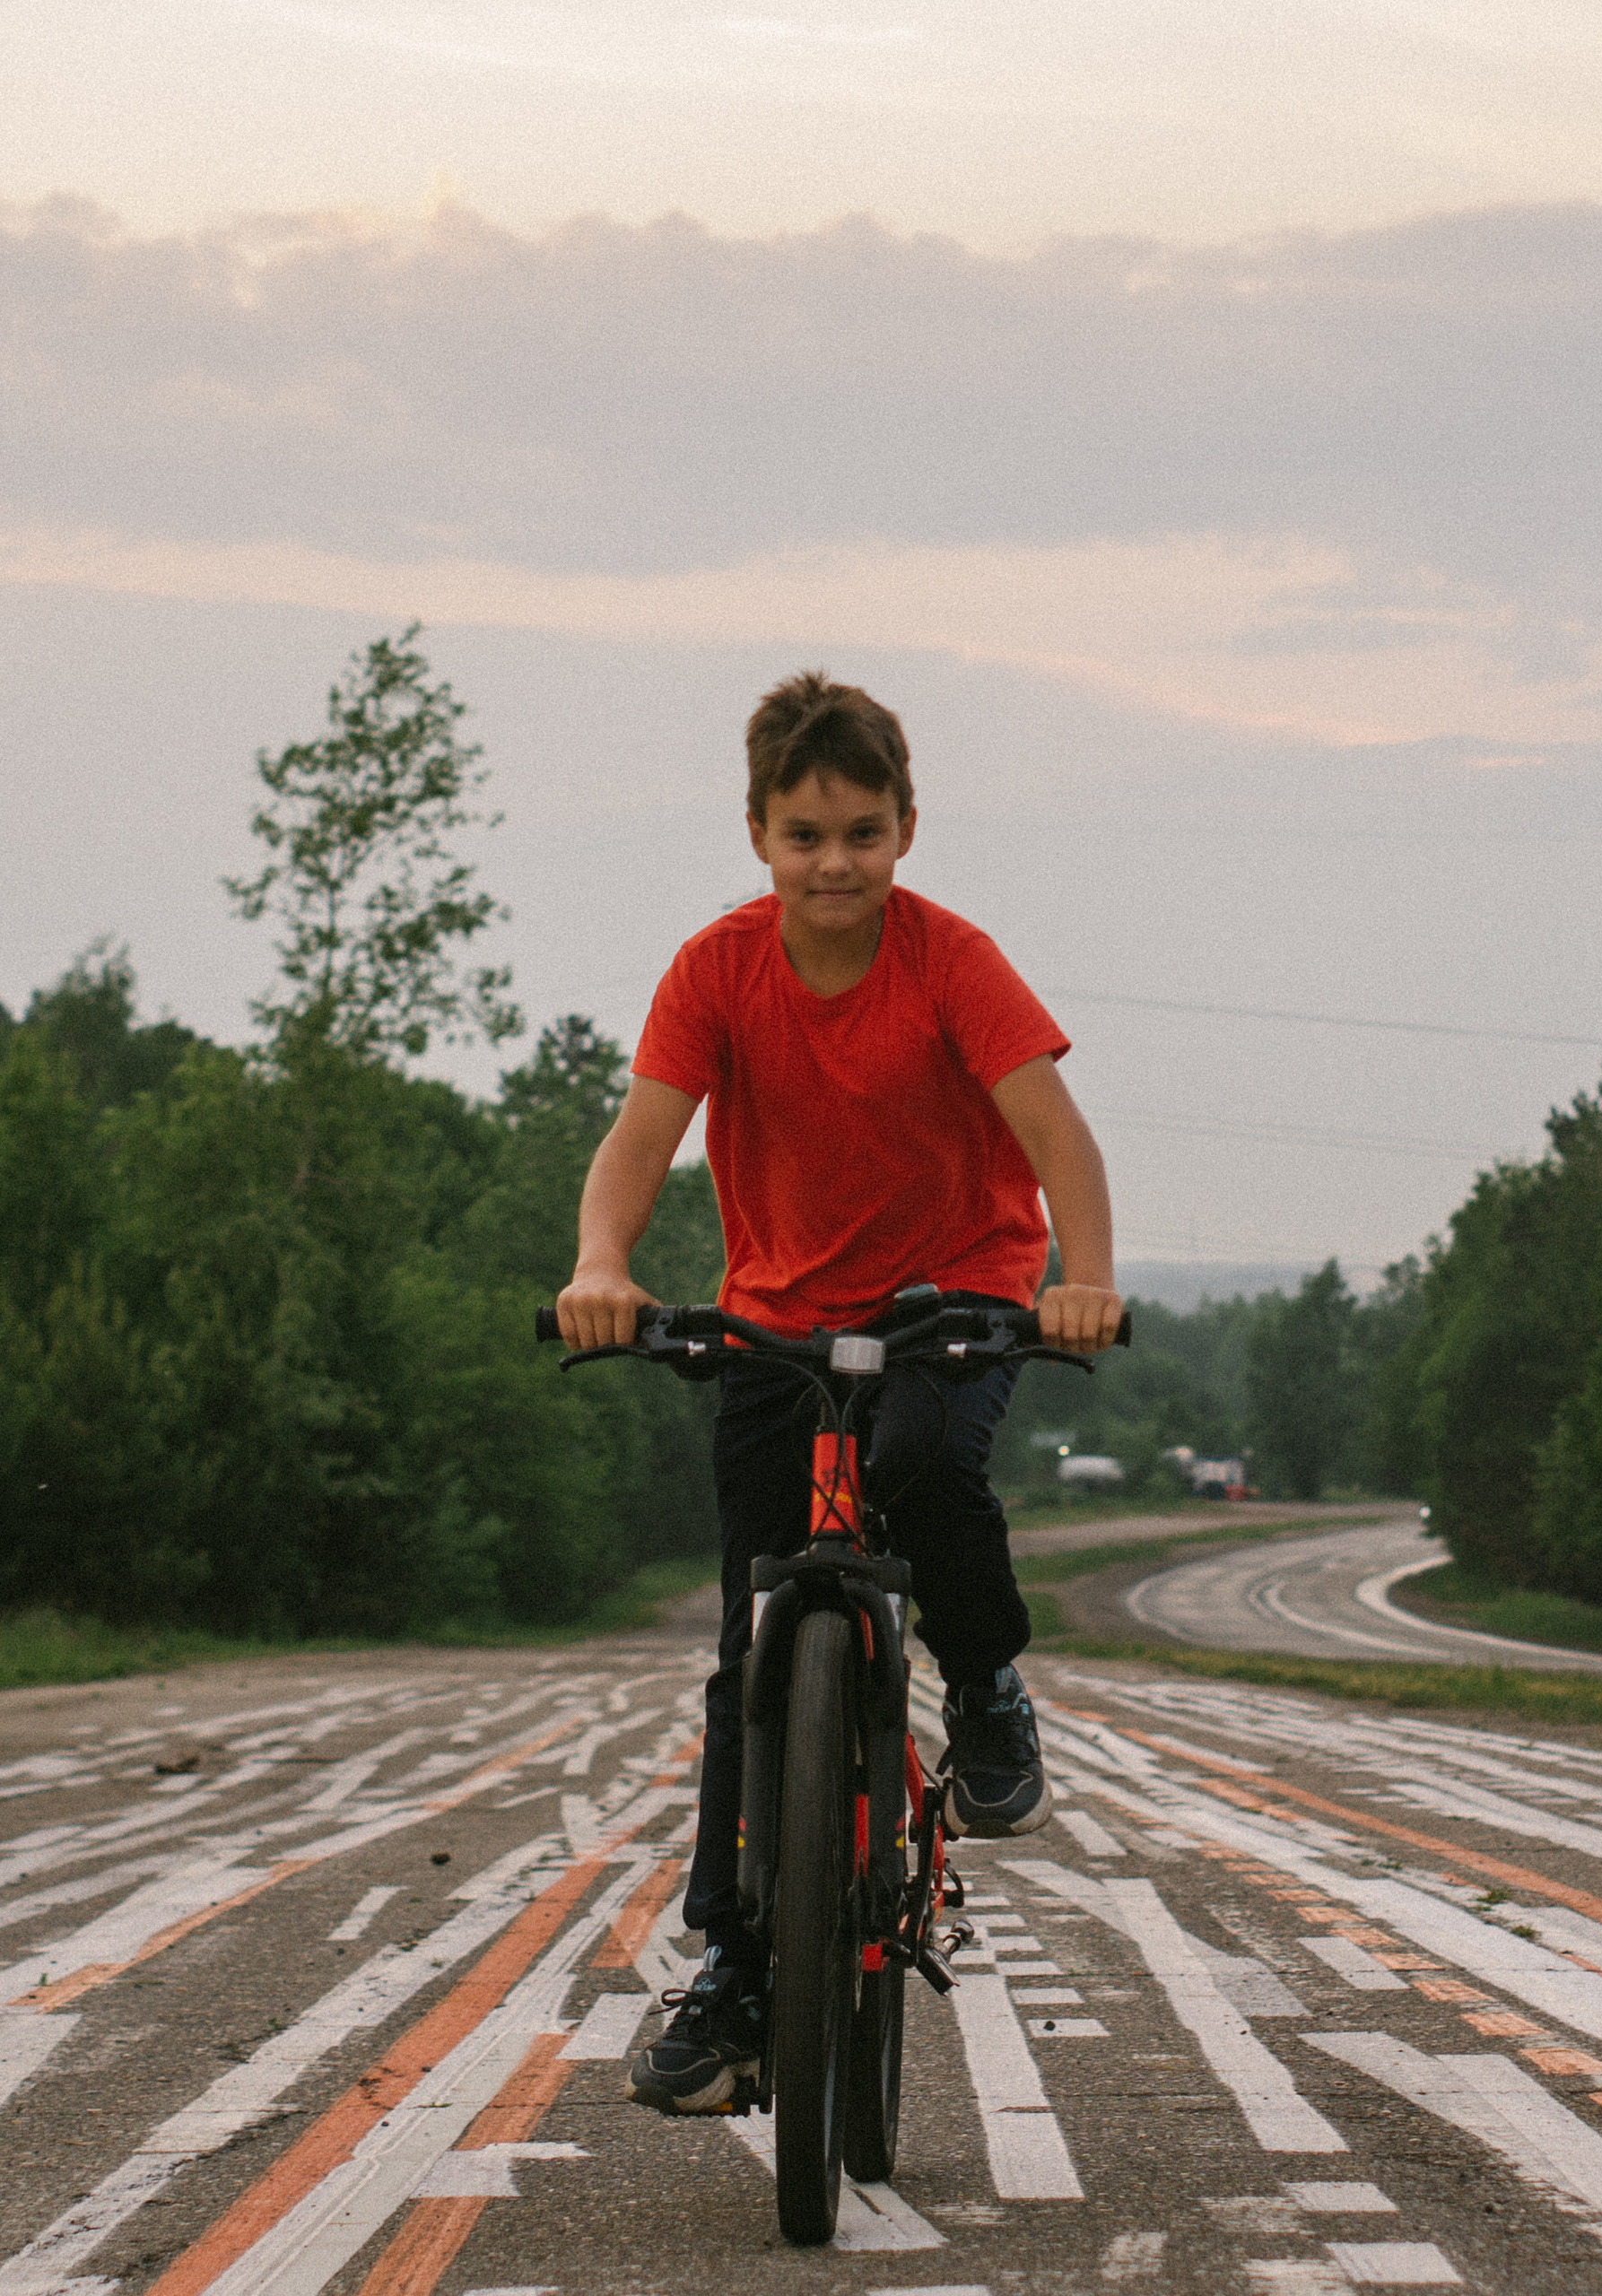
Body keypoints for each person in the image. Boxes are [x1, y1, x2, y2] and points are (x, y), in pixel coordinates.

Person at [553, 672, 1123, 2113]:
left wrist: (1081, 1276)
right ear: (757, 833)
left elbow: (1057, 1134)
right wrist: (602, 1260)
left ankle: (987, 1686)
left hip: (954, 1299)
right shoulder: (715, 971)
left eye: (863, 833)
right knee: (752, 1641)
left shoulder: (950, 963)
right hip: (778, 1324)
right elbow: (640, 1137)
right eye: (805, 834)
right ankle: (740, 1969)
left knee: (931, 1472)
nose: (834, 863)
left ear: (907, 831)